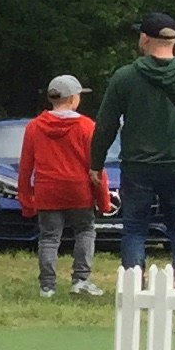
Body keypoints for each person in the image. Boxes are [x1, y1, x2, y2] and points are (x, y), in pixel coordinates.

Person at [88, 12, 175, 273]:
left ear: (145, 38)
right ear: (174, 40)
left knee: (135, 226)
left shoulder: (125, 77)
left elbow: (106, 124)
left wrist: (96, 163)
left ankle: (133, 282)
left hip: (137, 164)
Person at [17, 75, 109, 296]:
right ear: (72, 98)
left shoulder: (34, 127)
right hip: (78, 190)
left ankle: (47, 285)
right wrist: (104, 200)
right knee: (85, 231)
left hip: (47, 189)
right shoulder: (86, 126)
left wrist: (27, 200)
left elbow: (25, 166)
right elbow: (96, 167)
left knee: (48, 237)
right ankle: (80, 279)